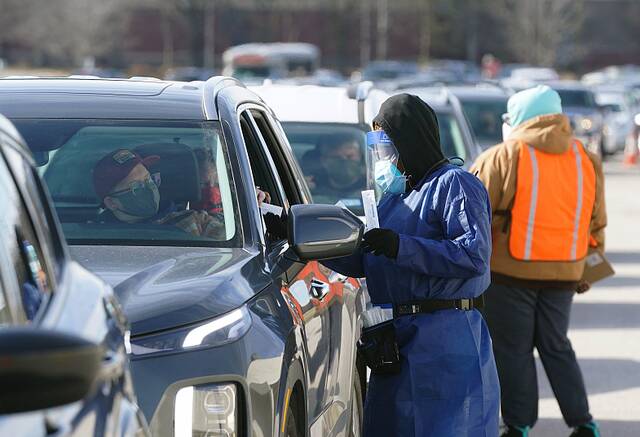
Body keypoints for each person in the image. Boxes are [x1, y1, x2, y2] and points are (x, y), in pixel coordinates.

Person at [323, 94, 500, 436]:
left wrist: (401, 246)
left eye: (388, 147)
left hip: (445, 339)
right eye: (378, 148)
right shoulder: (399, 196)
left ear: (410, 141)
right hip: (401, 340)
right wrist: (304, 241)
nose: (383, 158)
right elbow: (369, 258)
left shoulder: (454, 184)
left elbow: (473, 256)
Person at [470, 85, 606, 437]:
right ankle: (583, 422)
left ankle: (518, 425)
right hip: (566, 271)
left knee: (513, 350)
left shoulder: (503, 156)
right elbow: (596, 221)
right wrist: (587, 269)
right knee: (556, 345)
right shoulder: (586, 159)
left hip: (510, 271)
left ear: (517, 118)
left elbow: (474, 213)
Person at [93, 148, 273, 239]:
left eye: (149, 180)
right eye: (136, 187)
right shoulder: (92, 235)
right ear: (111, 203)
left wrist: (249, 202)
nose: (149, 188)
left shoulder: (194, 221)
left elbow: (241, 241)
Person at [303, 134, 365, 202]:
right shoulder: (311, 186)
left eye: (349, 156)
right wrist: (303, 190)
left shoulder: (371, 186)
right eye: (336, 157)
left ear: (360, 157)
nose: (344, 160)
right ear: (324, 160)